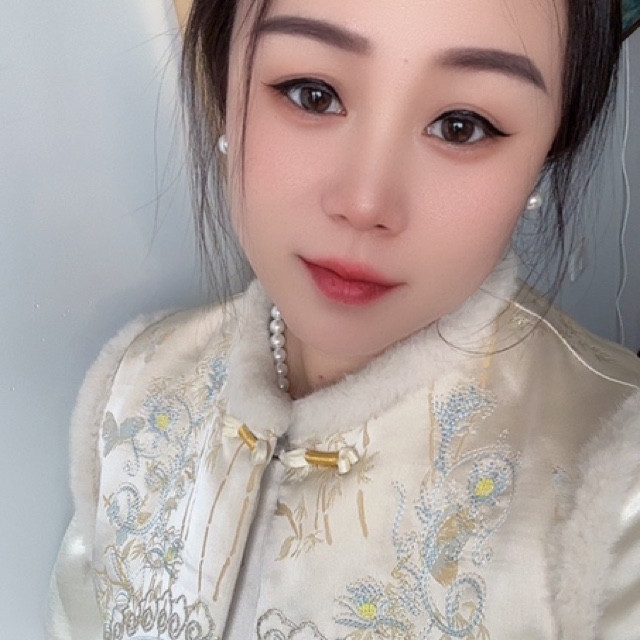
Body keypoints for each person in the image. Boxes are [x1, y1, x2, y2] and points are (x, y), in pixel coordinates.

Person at [47, 0, 640, 638]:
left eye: (462, 126)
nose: (364, 202)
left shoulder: (618, 491)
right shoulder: (134, 391)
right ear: (224, 85)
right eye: (313, 94)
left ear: (548, 149)